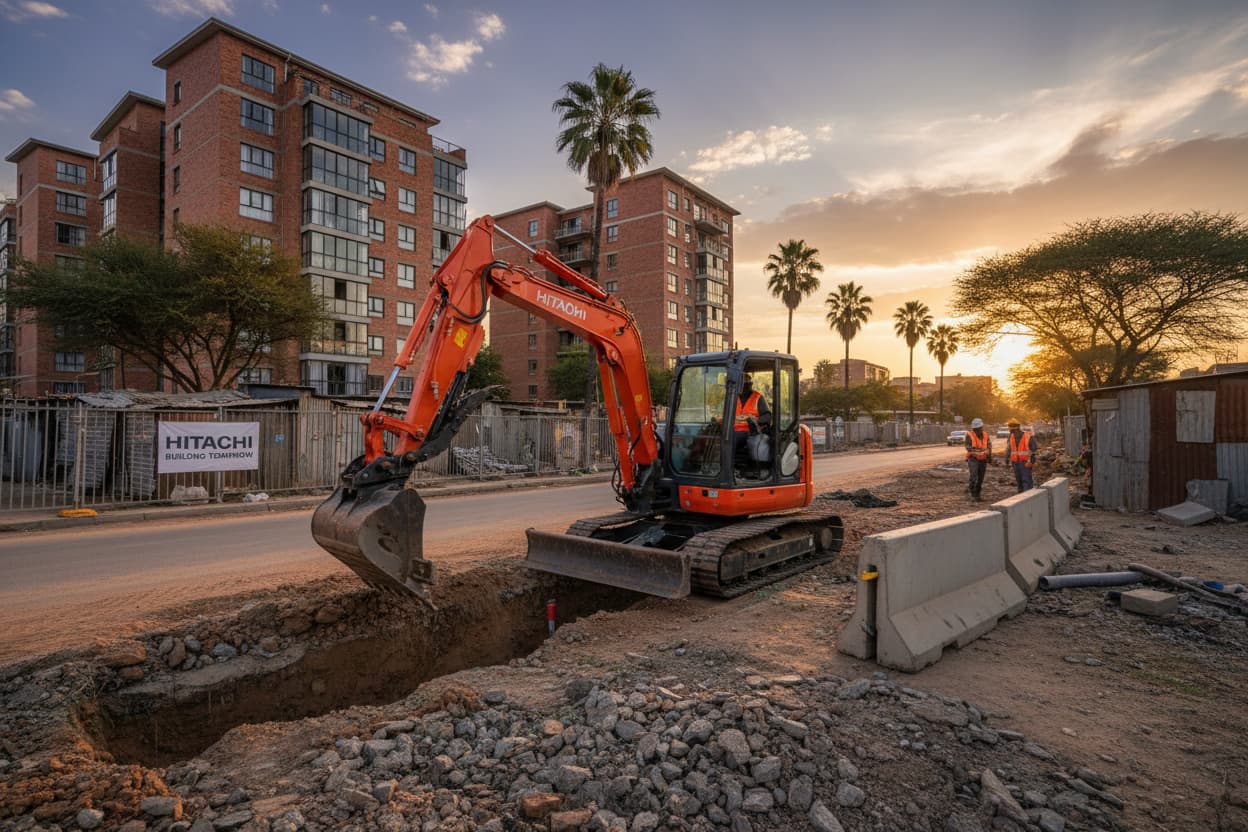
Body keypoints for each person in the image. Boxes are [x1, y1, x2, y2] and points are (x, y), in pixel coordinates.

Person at [733, 376, 771, 471]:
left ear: (750, 384)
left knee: (729, 440)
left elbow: (767, 416)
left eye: (746, 382)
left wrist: (754, 420)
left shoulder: (758, 398)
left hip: (750, 431)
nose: (744, 386)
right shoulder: (733, 398)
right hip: (733, 429)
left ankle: (732, 468)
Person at [963, 417, 992, 501]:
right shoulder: (969, 435)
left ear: (981, 427)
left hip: (983, 460)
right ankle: (972, 494)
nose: (977, 430)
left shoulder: (986, 435)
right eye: (975, 429)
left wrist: (989, 457)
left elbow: (989, 446)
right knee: (974, 476)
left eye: (979, 428)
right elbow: (968, 447)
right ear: (973, 428)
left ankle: (977, 495)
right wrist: (980, 451)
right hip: (973, 459)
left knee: (981, 478)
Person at [1005, 418, 1037, 492]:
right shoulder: (1011, 436)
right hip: (1015, 463)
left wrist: (1031, 461)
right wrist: (1006, 459)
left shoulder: (1028, 436)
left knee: (1027, 481)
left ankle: (1028, 499)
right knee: (1019, 481)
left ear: (1014, 429)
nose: (1009, 431)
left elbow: (1033, 450)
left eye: (1010, 429)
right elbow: (1008, 449)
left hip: (1025, 462)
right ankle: (1021, 498)